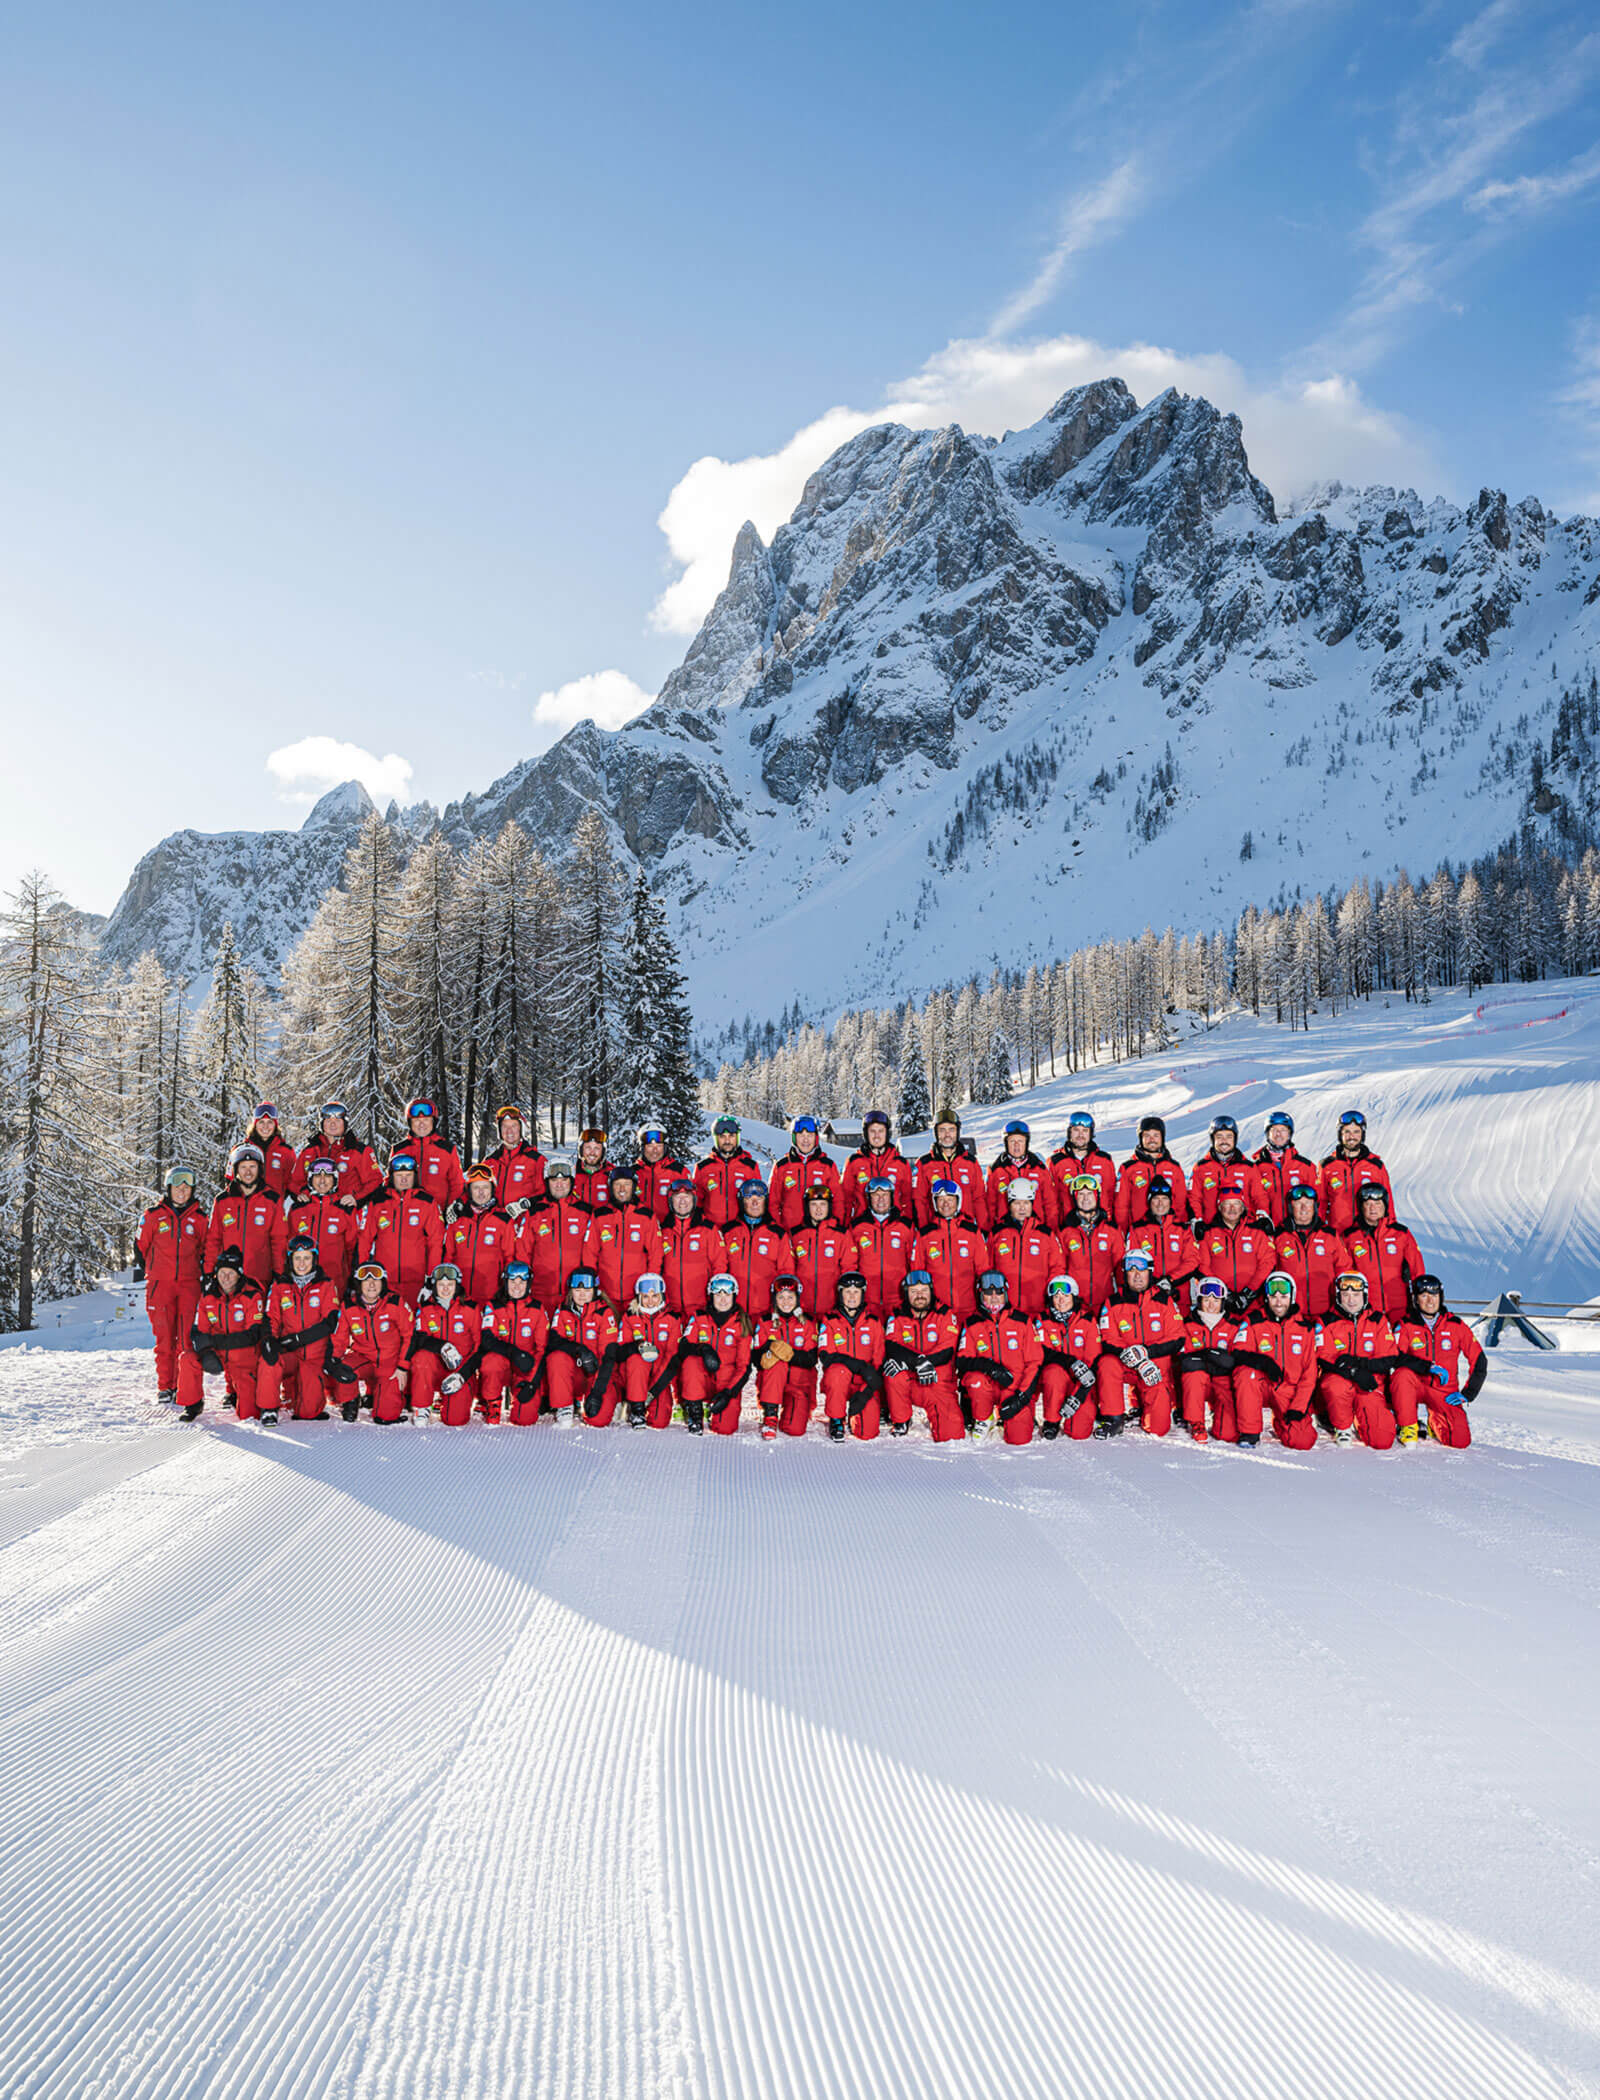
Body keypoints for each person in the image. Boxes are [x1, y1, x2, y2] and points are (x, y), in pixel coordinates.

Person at [135, 1166, 210, 1401]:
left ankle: (182, 1385)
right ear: (168, 1189)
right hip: (160, 1286)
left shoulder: (199, 1219)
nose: (182, 1191)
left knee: (186, 1339)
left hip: (189, 1285)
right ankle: (165, 1386)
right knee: (165, 1339)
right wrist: (155, 1271)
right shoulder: (153, 1215)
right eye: (177, 1187)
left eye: (186, 1188)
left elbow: (206, 1249)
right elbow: (140, 1247)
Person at [1096, 1247, 1185, 1435]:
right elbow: (1107, 1338)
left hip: (1154, 1366)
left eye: (1142, 1270)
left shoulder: (1164, 1300)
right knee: (1106, 1363)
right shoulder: (1113, 1302)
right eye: (1131, 1271)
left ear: (1150, 1273)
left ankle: (1147, 1409)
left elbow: (1177, 1337)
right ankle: (1114, 1418)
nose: (1137, 1276)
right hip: (1125, 1363)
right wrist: (1133, 1356)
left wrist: (1146, 1353)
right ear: (1125, 1274)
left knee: (1158, 1429)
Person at [1391, 1274, 1485, 1448]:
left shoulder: (1455, 1325)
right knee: (1401, 1375)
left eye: (1434, 1295)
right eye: (1424, 1295)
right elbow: (1394, 1356)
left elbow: (1479, 1360)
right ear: (1415, 1299)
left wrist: (1468, 1393)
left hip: (1444, 1391)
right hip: (1415, 1384)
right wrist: (1426, 1367)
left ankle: (1435, 1422)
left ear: (1441, 1297)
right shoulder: (1406, 1325)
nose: (1430, 1301)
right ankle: (1407, 1426)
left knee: (1459, 1441)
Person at [1229, 1271, 1320, 1450]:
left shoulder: (1305, 1329)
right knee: (1246, 1374)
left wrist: (1299, 1408)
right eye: (1273, 1296)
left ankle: (1281, 1421)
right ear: (1266, 1298)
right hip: (1262, 1384)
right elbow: (1238, 1351)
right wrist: (1264, 1362)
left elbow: (1309, 1375)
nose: (1278, 1302)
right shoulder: (1254, 1321)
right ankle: (1250, 1431)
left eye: (1284, 1297)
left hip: (1288, 1389)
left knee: (1302, 1441)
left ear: (1292, 1297)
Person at [177, 1247, 268, 1423]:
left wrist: (214, 1341)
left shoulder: (252, 1295)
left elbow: (251, 1335)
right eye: (222, 1273)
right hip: (217, 1353)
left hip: (243, 1359)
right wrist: (205, 1352)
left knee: (249, 1415)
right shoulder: (208, 1296)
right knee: (187, 1358)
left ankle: (241, 1394)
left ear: (239, 1274)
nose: (225, 1278)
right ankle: (193, 1404)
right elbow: (201, 1331)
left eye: (230, 1273)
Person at [258, 1234, 343, 1421]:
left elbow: (330, 1322)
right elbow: (271, 1317)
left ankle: (298, 1390)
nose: (302, 1263)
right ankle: (269, 1408)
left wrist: (299, 1339)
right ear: (290, 1260)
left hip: (314, 1356)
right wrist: (269, 1339)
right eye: (297, 1258)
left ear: (314, 1259)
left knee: (308, 1412)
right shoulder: (280, 1285)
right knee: (268, 1359)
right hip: (290, 1353)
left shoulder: (326, 1285)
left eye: (306, 1258)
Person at [1315, 1271, 1403, 1449]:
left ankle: (1363, 1416)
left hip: (1371, 1383)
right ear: (1338, 1297)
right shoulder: (1326, 1321)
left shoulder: (1377, 1320)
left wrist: (1361, 1367)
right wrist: (1354, 1372)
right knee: (1334, 1385)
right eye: (1345, 1295)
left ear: (1365, 1295)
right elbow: (1324, 1357)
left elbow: (1388, 1358)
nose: (1351, 1300)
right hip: (1340, 1379)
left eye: (1356, 1295)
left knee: (1382, 1441)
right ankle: (1342, 1426)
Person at [956, 1271, 1043, 1444]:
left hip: (1014, 1386)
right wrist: (990, 1367)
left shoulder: (1022, 1321)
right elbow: (962, 1360)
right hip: (986, 1384)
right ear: (980, 1294)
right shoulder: (972, 1323)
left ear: (1006, 1294)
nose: (994, 1298)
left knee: (1019, 1439)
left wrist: (1021, 1398)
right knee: (975, 1380)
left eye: (999, 1293)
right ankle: (983, 1417)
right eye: (988, 1293)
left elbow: (1035, 1362)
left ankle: (1009, 1417)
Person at [881, 1270, 964, 1443]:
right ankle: (901, 1419)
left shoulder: (946, 1314)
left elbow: (946, 1350)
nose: (919, 1295)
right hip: (910, 1381)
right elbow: (891, 1344)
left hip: (936, 1382)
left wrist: (922, 1363)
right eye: (914, 1291)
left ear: (931, 1291)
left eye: (924, 1290)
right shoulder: (896, 1315)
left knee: (952, 1436)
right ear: (906, 1294)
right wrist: (918, 1362)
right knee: (892, 1370)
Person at [328, 1262, 415, 1424]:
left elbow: (410, 1335)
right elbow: (340, 1338)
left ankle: (387, 1395)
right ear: (359, 1284)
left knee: (385, 1416)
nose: (372, 1285)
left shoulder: (395, 1303)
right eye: (366, 1281)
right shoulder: (348, 1306)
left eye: (376, 1280)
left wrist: (403, 1366)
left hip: (390, 1362)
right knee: (344, 1368)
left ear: (383, 1283)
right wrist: (333, 1360)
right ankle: (350, 1401)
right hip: (364, 1358)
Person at [357, 1154, 444, 1307]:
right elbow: (365, 1239)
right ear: (391, 1177)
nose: (404, 1179)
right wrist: (363, 1273)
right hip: (384, 1279)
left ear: (415, 1177)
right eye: (399, 1175)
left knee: (414, 1324)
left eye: (408, 1175)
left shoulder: (427, 1202)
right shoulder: (379, 1201)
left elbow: (435, 1242)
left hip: (416, 1279)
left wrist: (432, 1277)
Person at [817, 1271, 895, 1440]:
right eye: (847, 1292)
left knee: (867, 1433)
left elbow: (879, 1358)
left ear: (862, 1294)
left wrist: (866, 1392)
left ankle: (858, 1413)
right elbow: (826, 1355)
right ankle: (837, 1419)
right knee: (838, 1371)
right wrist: (858, 1365)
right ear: (840, 1294)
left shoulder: (873, 1321)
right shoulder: (830, 1320)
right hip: (839, 1379)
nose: (851, 1296)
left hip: (864, 1380)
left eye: (856, 1292)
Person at [407, 1263, 482, 1425]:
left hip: (460, 1369)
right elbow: (420, 1338)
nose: (446, 1289)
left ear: (457, 1285)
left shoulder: (471, 1308)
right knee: (421, 1358)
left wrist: (463, 1375)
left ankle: (448, 1400)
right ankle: (422, 1407)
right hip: (434, 1367)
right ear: (434, 1286)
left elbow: (480, 1347)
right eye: (441, 1285)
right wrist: (442, 1347)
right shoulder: (425, 1308)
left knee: (455, 1420)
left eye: (450, 1285)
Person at [205, 1143, 287, 1293]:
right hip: (228, 1277)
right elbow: (214, 1239)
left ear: (260, 1169)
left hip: (260, 1276)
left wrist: (280, 1272)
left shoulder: (272, 1200)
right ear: (236, 1170)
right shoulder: (223, 1200)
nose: (248, 1172)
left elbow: (279, 1239)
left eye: (252, 1167)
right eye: (243, 1167)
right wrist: (209, 1270)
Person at [543, 1269, 620, 1424]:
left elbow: (609, 1356)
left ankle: (608, 1399)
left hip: (597, 1375)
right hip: (574, 1373)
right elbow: (554, 1341)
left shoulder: (604, 1313)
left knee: (598, 1420)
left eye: (587, 1290)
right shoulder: (563, 1310)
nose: (582, 1295)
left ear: (595, 1291)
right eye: (577, 1290)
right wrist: (579, 1349)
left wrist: (598, 1392)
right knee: (556, 1357)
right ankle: (564, 1406)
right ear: (571, 1291)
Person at [478, 1261, 550, 1426]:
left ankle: (517, 1400)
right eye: (512, 1282)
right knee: (491, 1361)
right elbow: (487, 1339)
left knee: (524, 1419)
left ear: (528, 1284)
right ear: (505, 1282)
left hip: (525, 1368)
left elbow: (542, 1349)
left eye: (521, 1282)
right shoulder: (493, 1306)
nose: (517, 1286)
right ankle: (492, 1403)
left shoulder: (537, 1309)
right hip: (502, 1364)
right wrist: (512, 1352)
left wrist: (532, 1383)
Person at [680, 1274, 754, 1435]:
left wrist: (729, 1393)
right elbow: (683, 1346)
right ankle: (695, 1412)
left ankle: (718, 1408)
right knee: (691, 1362)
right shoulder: (699, 1317)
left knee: (725, 1429)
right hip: (702, 1377)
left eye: (727, 1294)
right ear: (711, 1295)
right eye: (718, 1294)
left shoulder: (741, 1323)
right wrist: (702, 1349)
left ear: (734, 1296)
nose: (722, 1299)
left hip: (726, 1381)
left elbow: (744, 1366)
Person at [520, 1160, 597, 1309]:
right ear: (547, 1183)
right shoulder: (535, 1212)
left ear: (572, 1181)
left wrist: (588, 1285)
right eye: (554, 1180)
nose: (559, 1184)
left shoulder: (585, 1211)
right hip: (541, 1292)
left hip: (575, 1293)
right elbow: (523, 1251)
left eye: (564, 1180)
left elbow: (593, 1251)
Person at [1342, 1184, 1425, 1321]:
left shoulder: (1401, 1234)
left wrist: (1418, 1302)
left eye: (1377, 1203)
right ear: (1361, 1207)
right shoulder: (1350, 1237)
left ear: (1385, 1205)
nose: (1373, 1208)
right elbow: (1344, 1274)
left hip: (1399, 1308)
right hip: (1366, 1311)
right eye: (1368, 1204)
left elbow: (1418, 1270)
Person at [588, 1165, 664, 1312]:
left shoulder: (646, 1216)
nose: (622, 1189)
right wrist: (595, 1287)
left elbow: (656, 1254)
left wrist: (647, 1289)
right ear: (611, 1187)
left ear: (634, 1187)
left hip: (637, 1295)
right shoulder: (600, 1215)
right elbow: (589, 1253)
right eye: (617, 1184)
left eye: (627, 1184)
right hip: (606, 1294)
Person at [1191, 1180, 1275, 1312]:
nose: (1232, 1209)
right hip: (1219, 1302)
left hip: (1253, 1303)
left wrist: (1249, 1292)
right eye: (1227, 1204)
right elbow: (1203, 1266)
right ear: (1220, 1207)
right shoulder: (1209, 1234)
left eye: (1236, 1204)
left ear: (1242, 1208)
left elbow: (1268, 1262)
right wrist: (1224, 1293)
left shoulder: (1256, 1233)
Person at [1035, 1276, 1104, 1440]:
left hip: (1082, 1381)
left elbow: (1094, 1359)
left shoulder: (1087, 1320)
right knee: (1053, 1372)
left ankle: (1088, 1410)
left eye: (1065, 1296)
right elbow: (1041, 1351)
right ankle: (1051, 1421)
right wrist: (1070, 1362)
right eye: (1056, 1296)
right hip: (1058, 1378)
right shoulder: (1042, 1319)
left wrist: (1079, 1395)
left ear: (1074, 1296)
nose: (1060, 1300)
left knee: (1078, 1433)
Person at [754, 1272, 819, 1438]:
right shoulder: (765, 1321)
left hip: (798, 1384)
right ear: (774, 1299)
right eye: (781, 1297)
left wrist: (790, 1355)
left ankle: (792, 1410)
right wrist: (770, 1347)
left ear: (797, 1298)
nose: (786, 1302)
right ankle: (770, 1415)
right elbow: (756, 1358)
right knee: (776, 1361)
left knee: (795, 1429)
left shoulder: (808, 1322)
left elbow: (811, 1359)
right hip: (772, 1384)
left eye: (790, 1297)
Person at [1270, 1182, 1349, 1320]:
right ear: (1290, 1207)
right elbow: (1270, 1271)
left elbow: (1344, 1269)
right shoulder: (1279, 1236)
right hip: (1291, 1314)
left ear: (1315, 1206)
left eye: (1308, 1203)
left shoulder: (1329, 1235)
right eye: (1298, 1203)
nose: (1303, 1207)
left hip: (1326, 1313)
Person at [845, 1175, 920, 1320]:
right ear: (869, 1199)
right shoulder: (857, 1227)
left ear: (892, 1197)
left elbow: (914, 1262)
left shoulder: (905, 1225)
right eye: (875, 1196)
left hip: (897, 1299)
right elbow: (849, 1263)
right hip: (867, 1300)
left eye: (884, 1195)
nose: (880, 1200)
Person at [986, 1178, 1064, 1316]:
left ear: (1032, 1205)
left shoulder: (1045, 1233)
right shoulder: (997, 1233)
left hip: (1038, 1308)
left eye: (1026, 1203)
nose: (1022, 1208)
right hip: (1005, 1310)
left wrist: (1049, 1295)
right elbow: (988, 1267)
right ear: (1009, 1205)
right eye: (1017, 1203)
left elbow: (1057, 1267)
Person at [915, 1179, 989, 1322]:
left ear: (958, 1201)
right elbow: (918, 1272)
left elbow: (983, 1270)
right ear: (935, 1203)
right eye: (941, 1200)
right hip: (937, 1311)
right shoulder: (925, 1234)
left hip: (968, 1308)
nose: (946, 1204)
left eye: (950, 1199)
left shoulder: (972, 1232)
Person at [617, 1273, 684, 1429]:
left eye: (655, 1296)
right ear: (638, 1296)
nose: (650, 1301)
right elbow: (620, 1350)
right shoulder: (630, 1317)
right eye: (645, 1296)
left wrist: (653, 1391)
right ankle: (636, 1409)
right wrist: (636, 1346)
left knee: (659, 1422)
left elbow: (672, 1356)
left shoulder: (673, 1318)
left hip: (659, 1375)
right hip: (633, 1375)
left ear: (662, 1295)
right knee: (636, 1358)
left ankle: (644, 1400)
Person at [442, 1164, 516, 1305]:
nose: (481, 1192)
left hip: (492, 1295)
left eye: (485, 1187)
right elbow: (448, 1256)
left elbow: (509, 1257)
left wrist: (506, 1290)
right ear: (469, 1191)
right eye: (476, 1188)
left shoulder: (503, 1220)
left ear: (492, 1190)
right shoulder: (457, 1220)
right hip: (460, 1297)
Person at [285, 1156, 359, 1293]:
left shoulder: (345, 1210)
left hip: (335, 1281)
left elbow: (351, 1250)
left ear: (335, 1180)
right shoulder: (298, 1209)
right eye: (317, 1176)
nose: (323, 1180)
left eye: (328, 1176)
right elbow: (288, 1246)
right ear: (310, 1180)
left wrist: (350, 1280)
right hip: (302, 1283)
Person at [1056, 1172, 1127, 1314]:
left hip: (1105, 1302)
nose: (1085, 1198)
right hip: (1075, 1304)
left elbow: (1121, 1268)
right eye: (1081, 1194)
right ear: (1074, 1198)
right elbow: (1059, 1268)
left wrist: (1121, 1297)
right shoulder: (1064, 1231)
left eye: (1090, 1193)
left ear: (1097, 1196)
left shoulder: (1111, 1229)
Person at [1178, 1276, 1236, 1444]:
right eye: (1207, 1300)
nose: (1211, 1305)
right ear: (1199, 1300)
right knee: (1193, 1375)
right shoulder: (1187, 1325)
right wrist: (1215, 1356)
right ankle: (1197, 1423)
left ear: (1223, 1301)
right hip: (1199, 1381)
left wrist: (1203, 1355)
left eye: (1216, 1300)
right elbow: (1186, 1361)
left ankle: (1220, 1415)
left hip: (1222, 1382)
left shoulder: (1233, 1326)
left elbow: (1233, 1361)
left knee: (1227, 1434)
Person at [722, 1179, 791, 1318]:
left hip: (765, 1311)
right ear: (742, 1201)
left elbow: (786, 1273)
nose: (754, 1203)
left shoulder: (778, 1233)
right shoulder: (728, 1231)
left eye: (759, 1198)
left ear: (765, 1201)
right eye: (749, 1198)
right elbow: (720, 1268)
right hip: (734, 1312)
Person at [913, 1107, 990, 1231]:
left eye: (951, 1129)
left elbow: (979, 1199)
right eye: (942, 1130)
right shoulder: (924, 1164)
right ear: (936, 1133)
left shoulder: (970, 1163)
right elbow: (919, 1200)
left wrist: (984, 1230)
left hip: (965, 1230)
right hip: (936, 1232)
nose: (947, 1135)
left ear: (957, 1132)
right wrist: (924, 1230)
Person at [289, 1103, 381, 1205]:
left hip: (345, 1213)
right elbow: (295, 1182)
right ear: (322, 1123)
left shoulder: (359, 1151)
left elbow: (374, 1182)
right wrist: (302, 1193)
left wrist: (356, 1198)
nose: (333, 1124)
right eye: (328, 1121)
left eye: (337, 1121)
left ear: (345, 1123)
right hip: (313, 1212)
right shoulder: (309, 1151)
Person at [1318, 1110, 1393, 1234]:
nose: (1351, 1136)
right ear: (1340, 1134)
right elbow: (1320, 1204)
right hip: (1338, 1236)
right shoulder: (1327, 1166)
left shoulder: (1376, 1166)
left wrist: (1389, 1231)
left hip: (1368, 1237)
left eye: (1356, 1132)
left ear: (1362, 1134)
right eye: (1347, 1131)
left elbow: (1388, 1204)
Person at [1125, 1177, 1198, 1302]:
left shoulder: (1182, 1229)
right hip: (1149, 1295)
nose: (1160, 1203)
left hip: (1178, 1295)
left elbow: (1192, 1261)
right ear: (1149, 1202)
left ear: (1170, 1202)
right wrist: (1154, 1284)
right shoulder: (1137, 1229)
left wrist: (1170, 1280)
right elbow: (1132, 1262)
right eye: (1155, 1199)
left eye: (1164, 1199)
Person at [839, 1109, 915, 1224]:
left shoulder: (900, 1164)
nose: (876, 1136)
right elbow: (845, 1199)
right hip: (862, 1228)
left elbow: (907, 1200)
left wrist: (907, 1226)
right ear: (866, 1134)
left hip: (893, 1228)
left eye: (881, 1131)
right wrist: (843, 1227)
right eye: (872, 1131)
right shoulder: (854, 1162)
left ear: (887, 1133)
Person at [1116, 1116, 1191, 1231]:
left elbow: (1180, 1203)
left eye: (1156, 1135)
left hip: (1168, 1234)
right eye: (1147, 1136)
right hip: (1139, 1232)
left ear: (1162, 1137)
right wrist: (1123, 1232)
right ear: (1140, 1138)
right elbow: (1121, 1206)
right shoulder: (1129, 1168)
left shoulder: (1173, 1167)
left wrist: (1180, 1231)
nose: (1152, 1139)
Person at [769, 1117, 843, 1232]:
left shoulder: (827, 1166)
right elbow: (773, 1203)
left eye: (809, 1136)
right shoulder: (782, 1166)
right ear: (794, 1138)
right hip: (790, 1234)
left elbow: (838, 1201)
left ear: (816, 1138)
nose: (805, 1140)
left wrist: (834, 1227)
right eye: (801, 1136)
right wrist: (778, 1231)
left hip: (819, 1235)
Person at [1250, 1110, 1319, 1229]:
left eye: (1283, 1130)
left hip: (1297, 1233)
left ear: (1289, 1134)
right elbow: (1250, 1203)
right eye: (1274, 1130)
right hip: (1269, 1233)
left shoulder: (1305, 1167)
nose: (1279, 1134)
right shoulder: (1255, 1168)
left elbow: (1318, 1201)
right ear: (1267, 1134)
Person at [986, 1120, 1061, 1230]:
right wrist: (992, 1231)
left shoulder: (1038, 1168)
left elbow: (1050, 1203)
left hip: (1036, 1229)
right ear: (1006, 1143)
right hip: (1006, 1231)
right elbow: (990, 1204)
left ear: (1027, 1142)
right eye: (1012, 1141)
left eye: (1020, 1141)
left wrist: (1050, 1230)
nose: (1016, 1145)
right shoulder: (996, 1169)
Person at [395, 1099, 465, 1215]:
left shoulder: (447, 1149)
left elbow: (457, 1184)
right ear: (410, 1122)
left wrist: (451, 1210)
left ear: (434, 1122)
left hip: (437, 1216)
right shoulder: (399, 1149)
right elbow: (390, 1183)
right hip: (406, 1217)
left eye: (426, 1120)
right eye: (417, 1120)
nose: (422, 1124)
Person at [1188, 1116, 1259, 1228]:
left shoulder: (1248, 1167)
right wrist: (1197, 1220)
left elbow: (1259, 1197)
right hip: (1210, 1230)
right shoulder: (1201, 1168)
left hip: (1243, 1231)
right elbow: (1194, 1198)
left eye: (1229, 1136)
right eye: (1219, 1137)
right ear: (1213, 1139)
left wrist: (1262, 1216)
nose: (1224, 1141)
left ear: (1235, 1139)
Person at [790, 1185, 848, 1320]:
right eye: (813, 1204)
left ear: (829, 1207)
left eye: (823, 1204)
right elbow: (789, 1269)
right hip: (802, 1308)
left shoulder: (841, 1234)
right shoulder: (796, 1234)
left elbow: (848, 1268)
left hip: (832, 1307)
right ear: (807, 1207)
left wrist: (842, 1301)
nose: (818, 1209)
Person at [694, 1116, 763, 1230]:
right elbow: (696, 1203)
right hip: (712, 1232)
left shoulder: (750, 1166)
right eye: (722, 1137)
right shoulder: (703, 1167)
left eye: (731, 1136)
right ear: (716, 1138)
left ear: (737, 1137)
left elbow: (758, 1201)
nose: (727, 1141)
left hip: (739, 1231)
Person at [1048, 1112, 1118, 1223]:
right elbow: (1051, 1201)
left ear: (1091, 1133)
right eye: (1076, 1130)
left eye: (1085, 1131)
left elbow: (1113, 1196)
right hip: (1069, 1228)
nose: (1080, 1135)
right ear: (1069, 1132)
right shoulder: (1056, 1162)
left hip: (1101, 1226)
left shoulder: (1104, 1160)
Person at [480, 1104, 548, 1217]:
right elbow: (476, 1190)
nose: (509, 1131)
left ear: (521, 1128)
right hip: (495, 1225)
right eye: (504, 1126)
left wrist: (527, 1204)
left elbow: (546, 1195)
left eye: (514, 1126)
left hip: (524, 1225)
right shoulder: (490, 1161)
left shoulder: (536, 1160)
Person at [240, 1103, 298, 1197]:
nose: (265, 1127)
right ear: (255, 1125)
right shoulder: (242, 1150)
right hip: (247, 1207)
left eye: (270, 1122)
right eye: (261, 1122)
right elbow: (231, 1181)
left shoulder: (286, 1152)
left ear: (275, 1125)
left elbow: (293, 1181)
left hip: (275, 1208)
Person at [631, 1125, 687, 1221]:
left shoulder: (678, 1172)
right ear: (642, 1148)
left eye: (659, 1146)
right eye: (650, 1146)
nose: (655, 1150)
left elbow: (690, 1205)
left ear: (665, 1147)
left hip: (669, 1230)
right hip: (639, 1230)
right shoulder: (632, 1173)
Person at [572, 1127, 616, 1210]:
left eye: (597, 1148)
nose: (592, 1153)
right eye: (588, 1148)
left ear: (603, 1151)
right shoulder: (571, 1175)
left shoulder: (613, 1174)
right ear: (581, 1150)